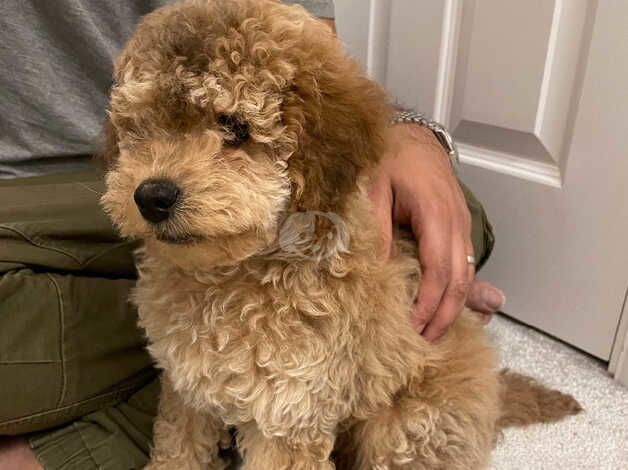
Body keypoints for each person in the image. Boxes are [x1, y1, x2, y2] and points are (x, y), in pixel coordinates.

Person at [0, 1, 505, 468]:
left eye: (234, 130)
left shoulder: (316, 283)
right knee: (191, 379)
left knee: (439, 211)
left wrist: (412, 136)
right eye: (144, 131)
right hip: (36, 197)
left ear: (307, 144)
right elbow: (184, 390)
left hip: (397, 388)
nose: (161, 178)